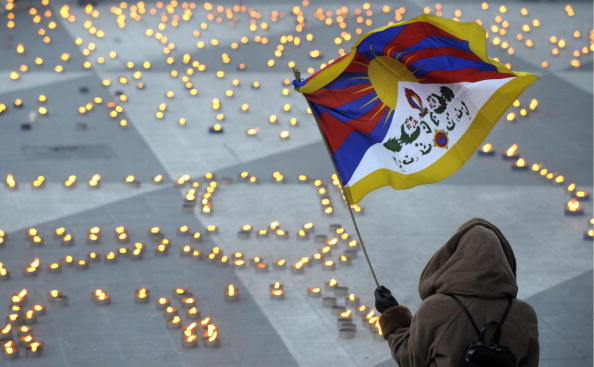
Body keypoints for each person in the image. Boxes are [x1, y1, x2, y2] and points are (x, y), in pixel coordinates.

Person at [374, 218, 539, 367]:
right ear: (504, 259)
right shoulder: (524, 314)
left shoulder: (436, 309)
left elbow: (410, 359)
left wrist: (392, 314)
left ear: (456, 256)